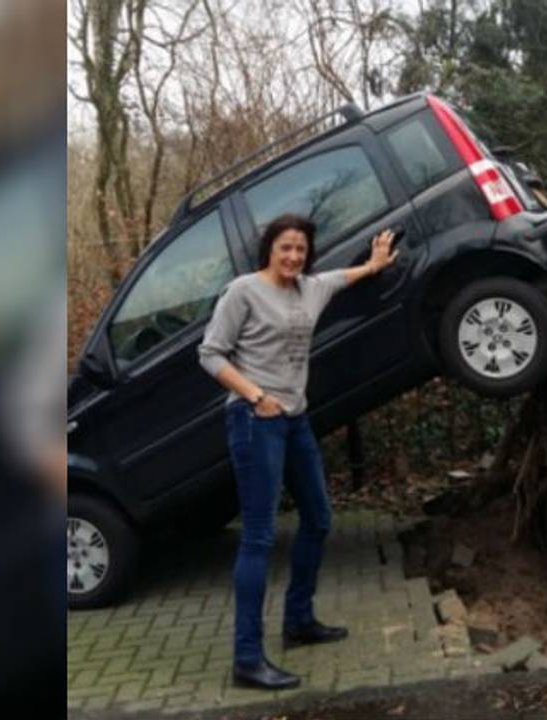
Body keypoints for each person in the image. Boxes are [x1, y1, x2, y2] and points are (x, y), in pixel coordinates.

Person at [198, 213, 398, 690]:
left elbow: (340, 277)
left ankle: (299, 621)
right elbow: (210, 353)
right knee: (260, 537)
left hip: (294, 420)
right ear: (269, 248)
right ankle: (247, 658)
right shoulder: (243, 291)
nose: (293, 256)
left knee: (319, 518)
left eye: (301, 250)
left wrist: (373, 265)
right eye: (285, 247)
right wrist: (255, 396)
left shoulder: (310, 287)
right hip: (253, 420)